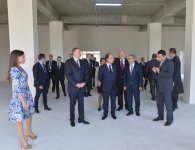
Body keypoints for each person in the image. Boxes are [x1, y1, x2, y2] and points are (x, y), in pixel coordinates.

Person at [7, 50, 37, 149]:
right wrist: (23, 100)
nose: (24, 58)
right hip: (19, 97)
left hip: (26, 94)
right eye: (23, 57)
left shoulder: (20, 68)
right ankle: (23, 140)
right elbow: (16, 86)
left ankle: (29, 132)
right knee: (19, 119)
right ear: (17, 58)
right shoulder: (14, 69)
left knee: (29, 114)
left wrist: (27, 96)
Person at [65, 48, 90, 127]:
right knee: (72, 104)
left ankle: (81, 118)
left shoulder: (83, 62)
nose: (80, 53)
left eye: (80, 52)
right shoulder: (68, 62)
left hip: (82, 87)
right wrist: (76, 84)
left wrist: (84, 82)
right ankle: (72, 120)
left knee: (81, 103)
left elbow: (87, 73)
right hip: (73, 87)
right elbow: (68, 75)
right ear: (74, 53)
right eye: (79, 52)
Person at [152, 50, 174, 126]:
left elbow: (170, 74)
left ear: (164, 56)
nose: (158, 58)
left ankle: (170, 119)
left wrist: (159, 71)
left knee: (168, 104)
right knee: (159, 103)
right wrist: (155, 72)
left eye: (159, 57)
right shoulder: (158, 63)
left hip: (167, 87)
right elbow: (157, 76)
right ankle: (160, 116)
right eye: (157, 56)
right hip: (159, 86)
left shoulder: (170, 62)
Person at [98, 53, 117, 120]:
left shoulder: (115, 66)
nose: (113, 59)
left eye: (113, 57)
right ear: (107, 59)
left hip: (114, 87)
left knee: (113, 101)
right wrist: (106, 83)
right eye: (111, 57)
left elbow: (116, 76)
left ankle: (113, 113)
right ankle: (105, 114)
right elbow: (99, 77)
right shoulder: (102, 67)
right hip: (105, 87)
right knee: (105, 101)